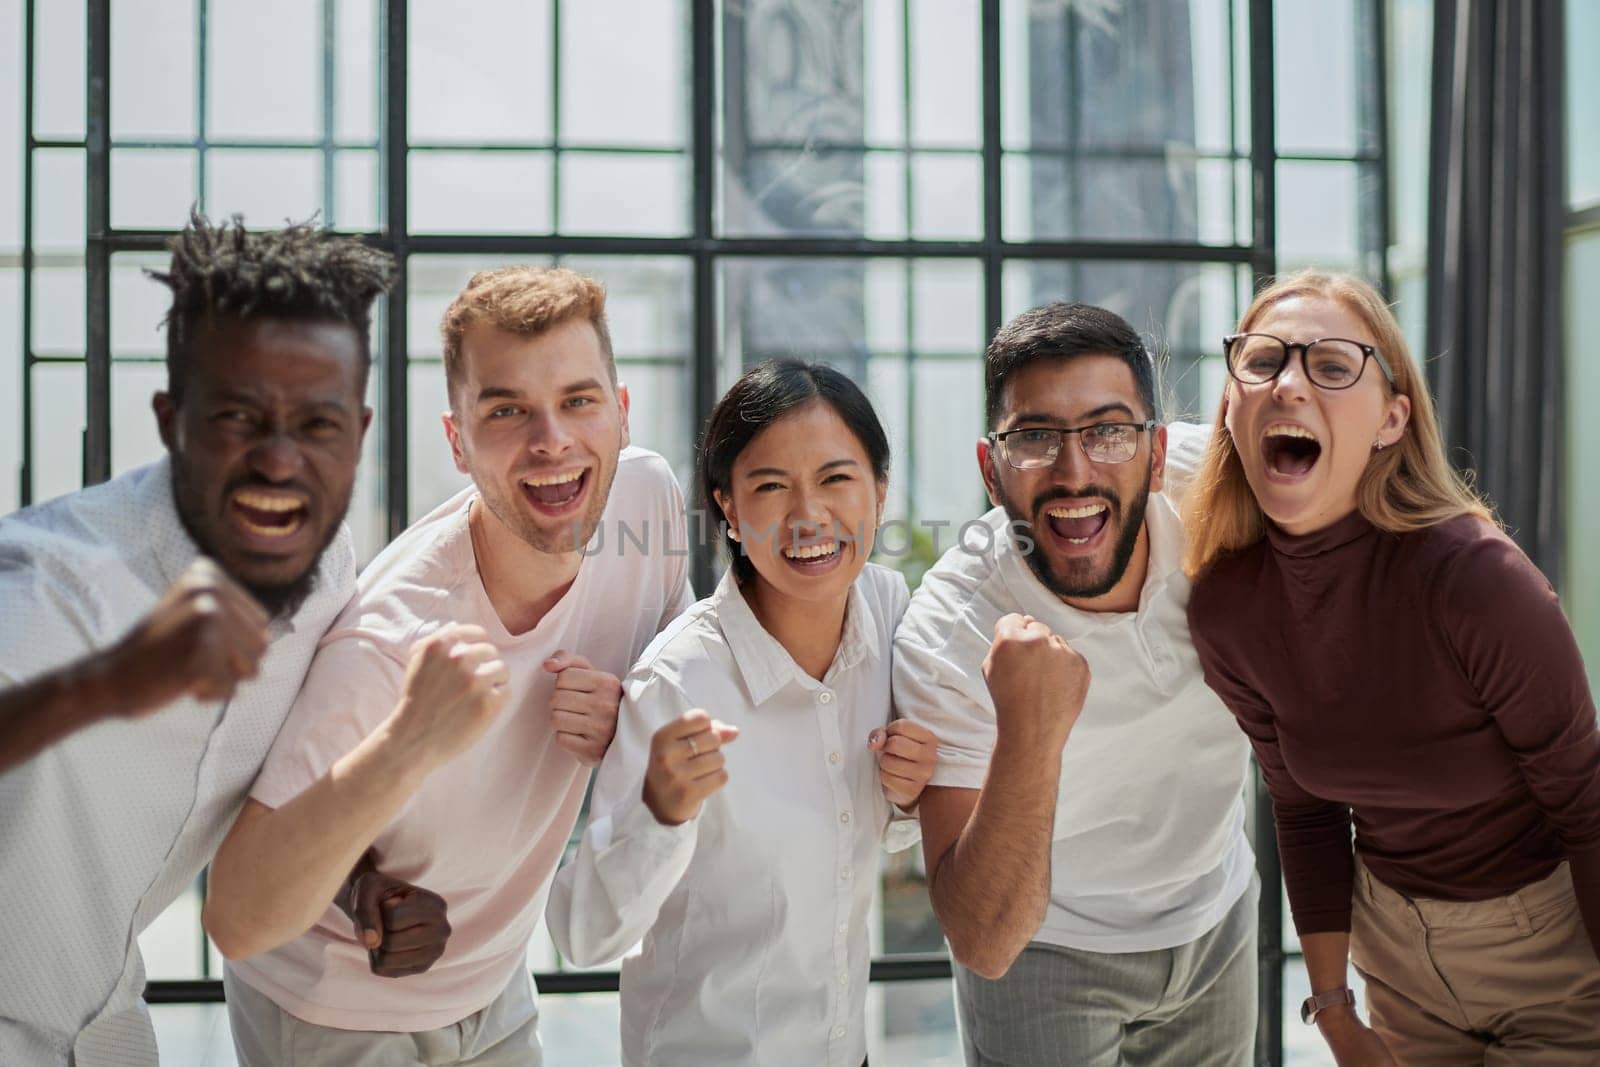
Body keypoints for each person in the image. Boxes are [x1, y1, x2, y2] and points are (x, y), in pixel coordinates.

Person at [203, 266, 692, 1066]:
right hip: (332, 998)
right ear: (457, 440)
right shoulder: (391, 637)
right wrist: (406, 745)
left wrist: (633, 712)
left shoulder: (647, 502)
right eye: (507, 411)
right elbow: (237, 911)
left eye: (578, 400)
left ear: (622, 412)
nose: (553, 440)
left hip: (494, 977)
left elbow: (683, 676)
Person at [0, 214, 392, 1065]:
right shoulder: (48, 583)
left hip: (107, 1028)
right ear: (171, 418)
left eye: (317, 425)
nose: (280, 462)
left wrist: (358, 874)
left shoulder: (327, 573)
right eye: (238, 418)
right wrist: (101, 684)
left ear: (358, 432)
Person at [1183, 270, 1600, 1064]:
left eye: (1333, 366)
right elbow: (1304, 812)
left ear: (1391, 419)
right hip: (1395, 957)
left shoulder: (1476, 580)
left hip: (1551, 944)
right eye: (1263, 361)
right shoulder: (1225, 609)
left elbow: (1587, 804)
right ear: (1233, 405)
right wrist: (1336, 1012)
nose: (1291, 384)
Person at [894, 303, 1257, 1066]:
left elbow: (1375, 484)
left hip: (1216, 910)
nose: (1075, 469)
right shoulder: (950, 628)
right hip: (1044, 943)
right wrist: (1029, 733)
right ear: (991, 471)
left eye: (1107, 430)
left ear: (1157, 455)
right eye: (1035, 437)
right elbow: (983, 939)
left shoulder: (1218, 489)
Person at [547, 359, 938, 1067]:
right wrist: (660, 813)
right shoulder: (677, 681)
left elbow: (873, 833)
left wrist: (909, 795)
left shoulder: (886, 610)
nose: (808, 515)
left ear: (879, 490)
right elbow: (583, 936)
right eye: (769, 486)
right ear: (727, 505)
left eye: (836, 478)